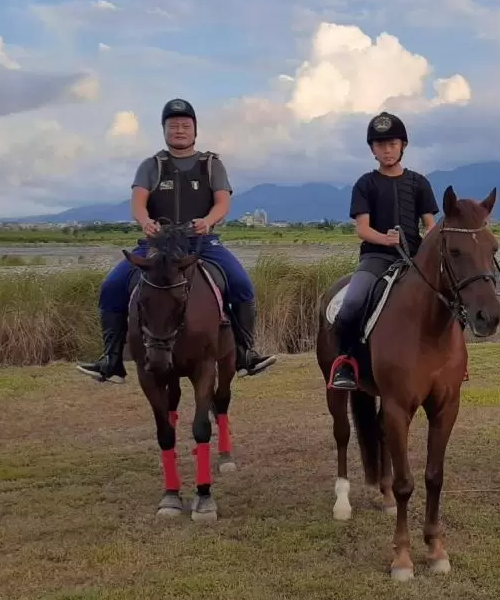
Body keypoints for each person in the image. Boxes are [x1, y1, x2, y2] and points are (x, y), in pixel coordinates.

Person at [76, 98, 277, 383]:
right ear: (164, 131)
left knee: (242, 284)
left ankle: (247, 353)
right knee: (111, 287)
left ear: (195, 131)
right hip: (157, 244)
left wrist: (207, 222)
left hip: (202, 243)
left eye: (185, 125)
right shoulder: (151, 165)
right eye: (173, 125)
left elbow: (222, 203)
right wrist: (145, 221)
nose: (179, 130)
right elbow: (138, 202)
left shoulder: (211, 165)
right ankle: (111, 359)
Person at [327, 111, 439, 391]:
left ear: (403, 146)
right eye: (380, 145)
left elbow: (430, 226)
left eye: (392, 144)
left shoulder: (419, 183)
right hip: (375, 258)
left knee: (449, 298)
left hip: (414, 260)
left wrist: (430, 249)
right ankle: (346, 361)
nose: (386, 150)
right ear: (372, 150)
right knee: (352, 302)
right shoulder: (365, 184)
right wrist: (385, 240)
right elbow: (362, 229)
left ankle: (453, 362)